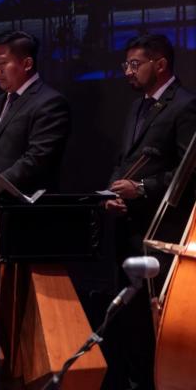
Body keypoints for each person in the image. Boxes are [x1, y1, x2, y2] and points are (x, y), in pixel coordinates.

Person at [103, 34, 196, 390]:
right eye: (125, 64)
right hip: (129, 230)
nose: (128, 71)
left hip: (163, 233)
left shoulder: (185, 105)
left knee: (155, 322)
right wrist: (111, 191)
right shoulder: (138, 106)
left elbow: (190, 170)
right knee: (131, 326)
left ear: (160, 64)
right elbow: (123, 162)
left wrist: (142, 189)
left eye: (135, 64)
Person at [0, 30, 70, 192]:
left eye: (2, 63)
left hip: (25, 208)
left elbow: (37, 158)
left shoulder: (50, 102)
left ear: (27, 64)